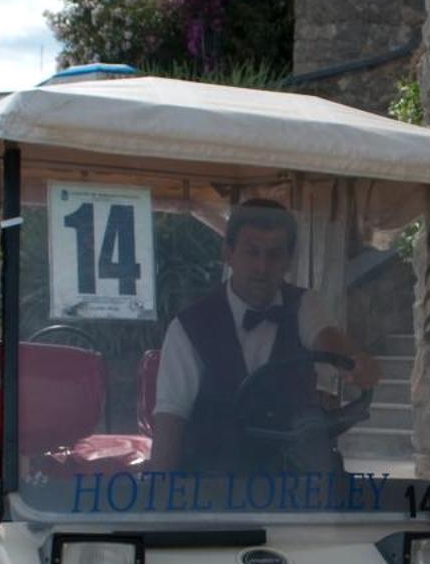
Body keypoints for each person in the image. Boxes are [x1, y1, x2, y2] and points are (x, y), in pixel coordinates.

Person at [150, 198, 379, 473]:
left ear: (288, 260)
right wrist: (159, 502)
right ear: (229, 253)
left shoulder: (304, 305)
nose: (262, 266)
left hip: (295, 488)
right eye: (252, 252)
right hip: (215, 491)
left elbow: (325, 336)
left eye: (274, 254)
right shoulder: (188, 328)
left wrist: (354, 361)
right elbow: (171, 418)